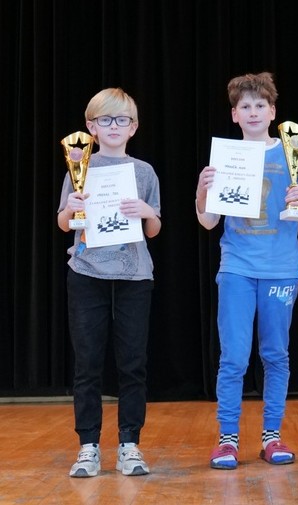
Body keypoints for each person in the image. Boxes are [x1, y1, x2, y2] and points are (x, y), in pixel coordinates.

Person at [196, 72, 298, 470]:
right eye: (245, 106)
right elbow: (208, 221)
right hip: (237, 267)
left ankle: (271, 435)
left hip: (281, 269)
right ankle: (227, 439)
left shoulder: (292, 152)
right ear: (235, 115)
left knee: (275, 354)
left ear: (272, 111)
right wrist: (202, 190)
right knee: (234, 357)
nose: (253, 112)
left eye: (260, 105)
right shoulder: (226, 158)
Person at [57, 88, 162, 477]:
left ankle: (129, 444)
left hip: (134, 276)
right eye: (105, 120)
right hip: (87, 274)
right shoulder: (79, 167)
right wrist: (71, 208)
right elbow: (64, 223)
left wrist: (148, 211)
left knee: (133, 363)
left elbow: (154, 229)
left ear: (133, 127)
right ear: (92, 127)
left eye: (121, 120)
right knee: (87, 364)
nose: (113, 126)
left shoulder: (144, 171)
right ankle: (88, 446)